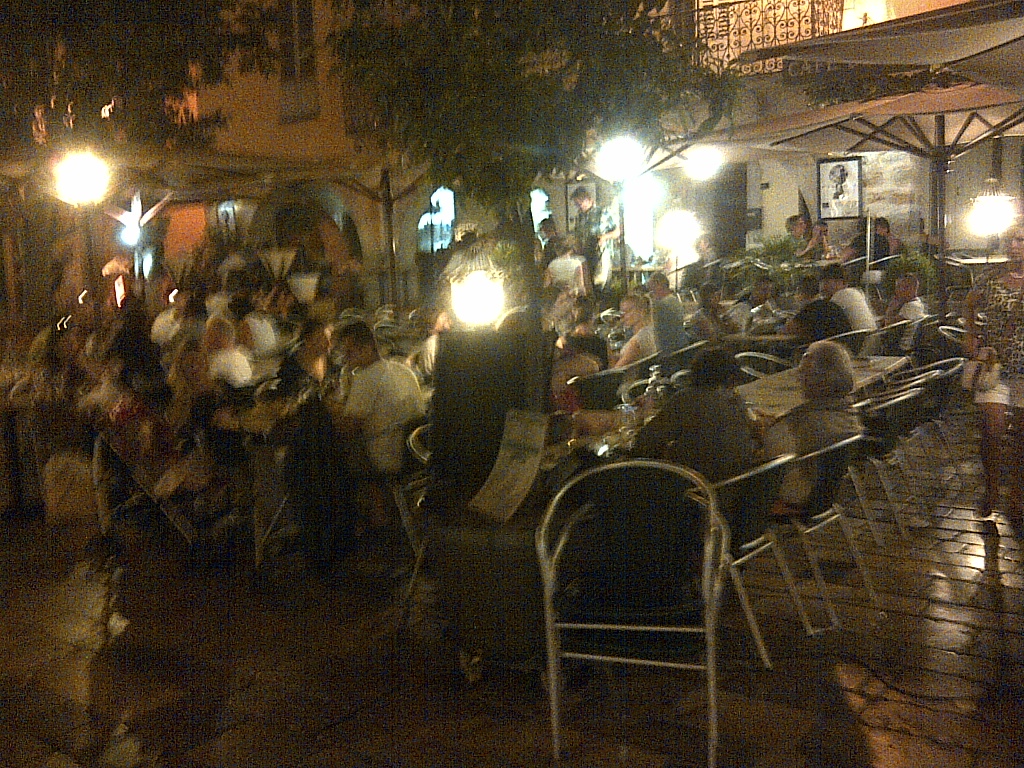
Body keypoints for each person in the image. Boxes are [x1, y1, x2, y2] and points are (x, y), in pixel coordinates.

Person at [631, 346, 759, 536]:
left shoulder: (686, 400)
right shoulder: (736, 403)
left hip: (694, 498)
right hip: (737, 500)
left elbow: (644, 443)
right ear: (731, 378)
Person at [329, 320, 426, 531]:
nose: (345, 358)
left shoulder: (367, 377)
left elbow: (348, 428)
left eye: (350, 352)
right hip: (416, 451)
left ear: (367, 348)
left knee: (332, 456)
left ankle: (362, 523)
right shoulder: (402, 370)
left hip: (389, 454)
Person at [762, 340, 863, 517]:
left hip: (798, 499)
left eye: (803, 373)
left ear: (819, 382)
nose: (798, 377)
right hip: (830, 495)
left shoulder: (797, 424)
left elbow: (771, 459)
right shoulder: (847, 413)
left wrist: (763, 432)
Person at [964, 224, 1024, 521]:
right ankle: (990, 490)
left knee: (1021, 435)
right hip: (995, 363)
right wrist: (971, 336)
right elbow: (969, 306)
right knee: (992, 429)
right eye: (1009, 239)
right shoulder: (990, 277)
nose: (1013, 245)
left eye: (1020, 240)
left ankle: (1016, 493)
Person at [570, 185, 619, 292]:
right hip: (585, 255)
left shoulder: (603, 212)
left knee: (601, 284)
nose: (579, 207)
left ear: (588, 200)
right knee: (588, 286)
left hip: (601, 254)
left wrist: (604, 237)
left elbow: (617, 231)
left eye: (579, 204)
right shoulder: (579, 216)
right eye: (576, 205)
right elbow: (577, 236)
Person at [785, 273, 852, 344]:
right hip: (843, 348)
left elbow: (788, 330)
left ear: (801, 293)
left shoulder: (810, 309)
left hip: (823, 348)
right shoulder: (831, 305)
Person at [820, 263, 877, 332]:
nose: (823, 287)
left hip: (858, 338)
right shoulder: (857, 292)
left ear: (840, 282)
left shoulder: (839, 297)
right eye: (822, 283)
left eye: (826, 282)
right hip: (873, 336)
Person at [645, 271, 692, 353]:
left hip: (669, 351)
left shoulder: (661, 305)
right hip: (681, 347)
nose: (651, 293)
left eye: (652, 290)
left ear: (659, 285)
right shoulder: (674, 300)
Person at [612, 292, 656, 369]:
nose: (622, 316)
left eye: (627, 311)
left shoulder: (637, 341)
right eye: (622, 312)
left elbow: (616, 371)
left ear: (641, 311)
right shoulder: (651, 331)